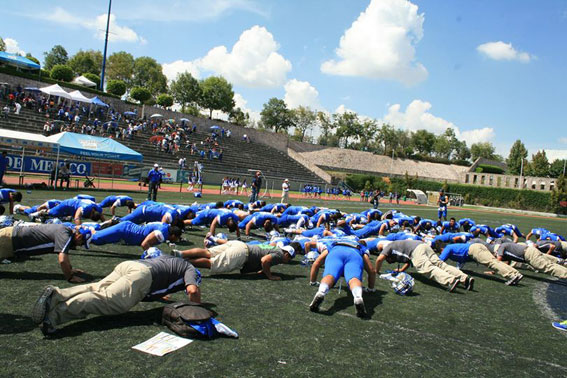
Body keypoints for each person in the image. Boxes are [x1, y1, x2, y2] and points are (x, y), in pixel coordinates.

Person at [31, 254, 202, 335]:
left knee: (96, 288)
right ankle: (52, 318)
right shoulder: (190, 270)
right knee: (107, 300)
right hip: (142, 276)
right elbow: (192, 291)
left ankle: (56, 295)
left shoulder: (175, 261)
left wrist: (157, 295)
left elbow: (162, 275)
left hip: (130, 266)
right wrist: (197, 311)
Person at [0, 223, 91, 283]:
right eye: (82, 243)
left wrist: (70, 269)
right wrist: (70, 277)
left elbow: (64, 256)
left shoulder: (64, 230)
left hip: (12, 238)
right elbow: (62, 260)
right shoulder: (65, 235)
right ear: (79, 237)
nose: (80, 245)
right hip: (9, 240)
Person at [309, 240, 376, 318]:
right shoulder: (362, 247)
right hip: (354, 253)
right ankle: (358, 297)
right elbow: (371, 271)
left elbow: (316, 263)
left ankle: (321, 292)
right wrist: (370, 288)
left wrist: (313, 281)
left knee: (330, 275)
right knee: (353, 278)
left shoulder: (334, 242)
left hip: (336, 251)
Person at [374, 240, 473, 292]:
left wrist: (376, 271)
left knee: (426, 268)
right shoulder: (397, 246)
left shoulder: (388, 247)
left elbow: (379, 259)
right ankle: (464, 278)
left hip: (416, 250)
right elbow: (409, 262)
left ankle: (450, 281)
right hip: (423, 246)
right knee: (441, 264)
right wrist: (402, 270)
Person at [178, 241, 300, 280]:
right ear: (288, 255)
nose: (287, 261)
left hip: (239, 245)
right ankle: (183, 262)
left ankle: (181, 254)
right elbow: (265, 260)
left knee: (208, 253)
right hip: (243, 253)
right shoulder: (279, 255)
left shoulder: (275, 247)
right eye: (289, 259)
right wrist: (270, 276)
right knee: (213, 263)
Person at [89, 221, 182, 250]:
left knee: (100, 238)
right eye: (177, 238)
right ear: (173, 235)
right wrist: (155, 257)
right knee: (96, 239)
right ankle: (84, 229)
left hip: (128, 229)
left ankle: (91, 228)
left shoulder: (166, 226)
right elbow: (144, 244)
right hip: (125, 231)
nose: (177, 240)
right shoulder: (161, 234)